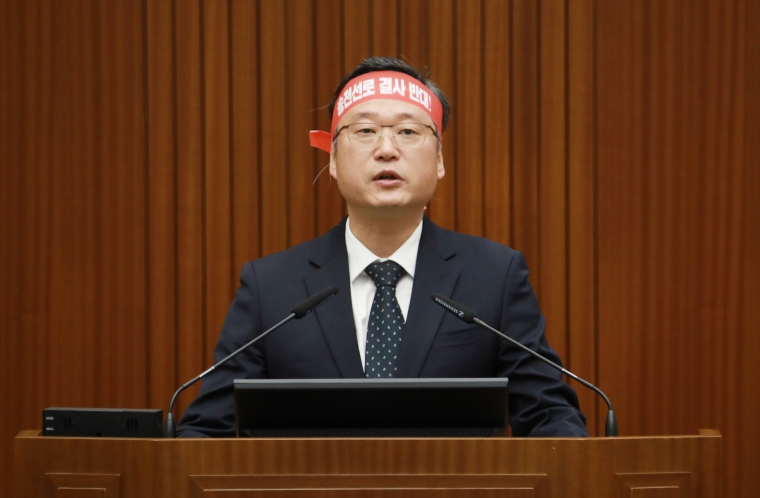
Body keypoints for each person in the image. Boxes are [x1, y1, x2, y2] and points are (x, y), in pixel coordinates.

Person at [176, 57, 588, 438]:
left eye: (408, 132)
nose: (387, 149)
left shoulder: (494, 276)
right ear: (333, 159)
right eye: (365, 131)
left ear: (439, 159)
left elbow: (550, 416)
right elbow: (207, 431)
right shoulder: (271, 288)